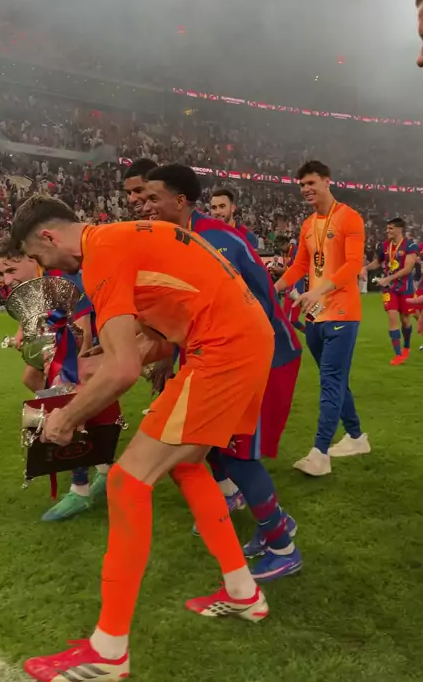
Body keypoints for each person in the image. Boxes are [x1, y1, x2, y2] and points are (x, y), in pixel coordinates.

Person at [10, 194, 275, 682]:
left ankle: (108, 650)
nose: (46, 267)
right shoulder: (121, 239)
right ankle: (244, 593)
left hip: (222, 350)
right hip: (238, 341)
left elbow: (124, 369)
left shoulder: (103, 255)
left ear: (48, 236)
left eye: (38, 256)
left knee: (127, 481)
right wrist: (104, 363)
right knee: (186, 465)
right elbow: (155, 337)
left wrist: (66, 418)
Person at [144, 164, 302, 581]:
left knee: (236, 452)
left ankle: (283, 547)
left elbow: (244, 309)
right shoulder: (183, 237)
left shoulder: (216, 242)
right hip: (231, 356)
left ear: (180, 201)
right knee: (218, 447)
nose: (146, 206)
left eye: (153, 198)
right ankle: (275, 525)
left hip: (263, 356)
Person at [0, 238, 112, 522]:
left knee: (63, 399)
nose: (7, 280)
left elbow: (83, 332)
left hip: (101, 346)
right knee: (32, 378)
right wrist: (23, 337)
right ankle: (104, 464)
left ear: (32, 259)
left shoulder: (64, 278)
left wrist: (71, 375)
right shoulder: (34, 284)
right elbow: (29, 321)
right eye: (2, 274)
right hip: (66, 345)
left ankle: (80, 489)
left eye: (11, 270)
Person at [275, 160, 370, 477]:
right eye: (302, 185)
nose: (306, 189)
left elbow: (353, 264)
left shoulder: (349, 217)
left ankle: (320, 453)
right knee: (335, 380)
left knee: (330, 381)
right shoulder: (307, 224)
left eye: (311, 183)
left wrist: (318, 291)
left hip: (342, 312)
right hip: (315, 316)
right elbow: (300, 266)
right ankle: (356, 437)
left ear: (327, 181)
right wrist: (273, 288)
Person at [363, 218, 419, 365]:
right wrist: (365, 268)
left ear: (400, 229)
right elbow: (378, 262)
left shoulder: (410, 245)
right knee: (392, 316)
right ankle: (398, 354)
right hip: (389, 288)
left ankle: (406, 347)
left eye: (391, 228)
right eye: (387, 228)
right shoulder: (384, 245)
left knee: (405, 320)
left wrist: (388, 278)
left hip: (405, 287)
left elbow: (408, 268)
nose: (387, 231)